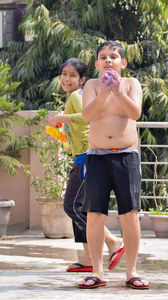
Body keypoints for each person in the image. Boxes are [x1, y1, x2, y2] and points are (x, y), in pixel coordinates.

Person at [79, 41, 149, 289]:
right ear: (97, 64)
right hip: (97, 157)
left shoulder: (131, 84)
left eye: (113, 56)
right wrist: (106, 92)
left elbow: (135, 113)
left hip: (126, 156)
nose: (108, 60)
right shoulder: (91, 85)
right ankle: (97, 272)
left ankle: (132, 271)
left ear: (123, 63)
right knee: (95, 215)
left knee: (130, 215)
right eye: (103, 57)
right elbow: (87, 116)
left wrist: (117, 91)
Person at [48, 58, 125, 273]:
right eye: (64, 74)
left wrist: (61, 117)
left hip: (86, 157)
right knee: (81, 207)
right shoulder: (77, 96)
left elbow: (87, 117)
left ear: (82, 80)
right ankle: (89, 257)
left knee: (72, 206)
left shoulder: (76, 95)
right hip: (82, 155)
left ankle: (112, 241)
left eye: (73, 76)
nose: (67, 79)